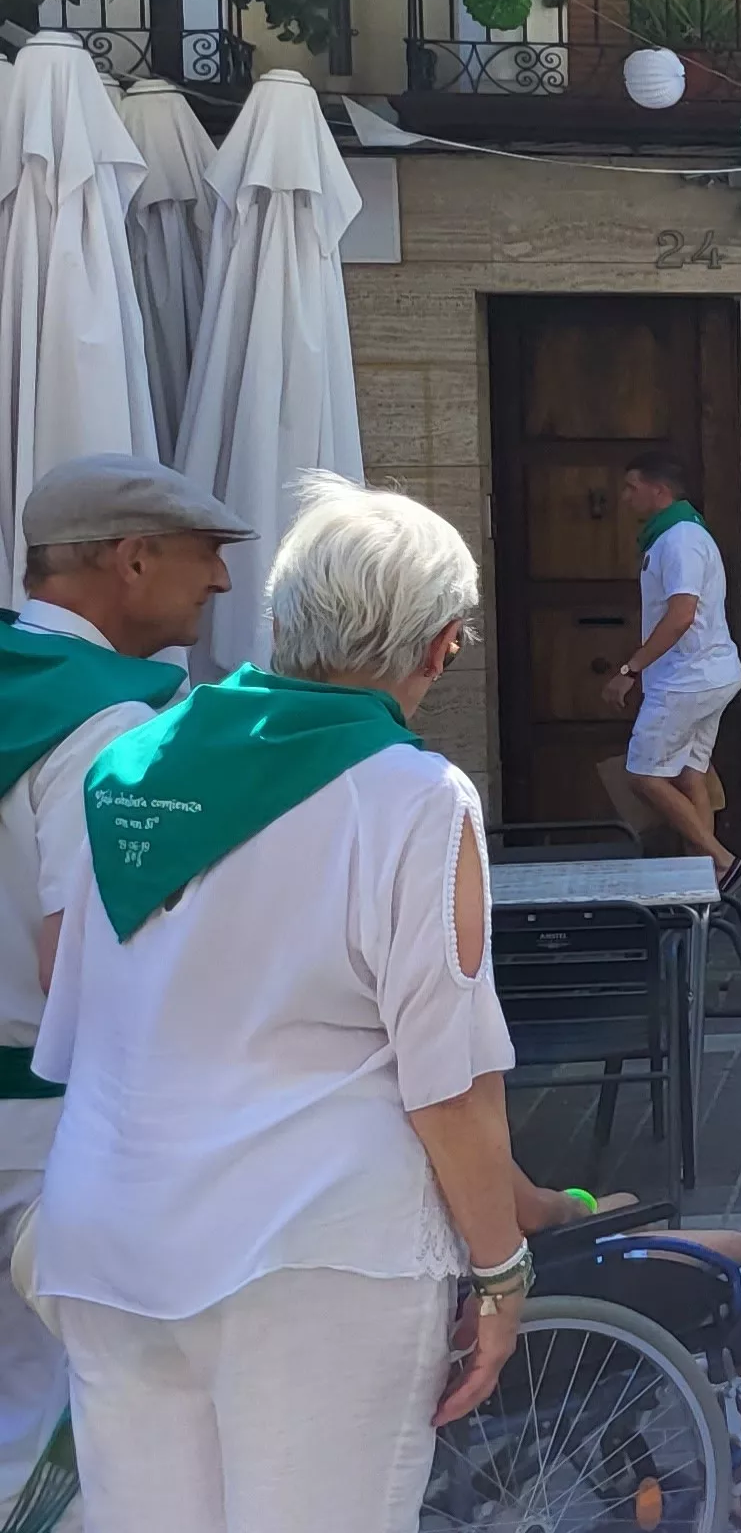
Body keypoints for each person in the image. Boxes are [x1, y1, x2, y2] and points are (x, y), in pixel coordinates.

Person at [33, 475, 519, 1531]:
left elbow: (71, 1003)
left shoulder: (125, 765)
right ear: (437, 646)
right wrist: (502, 1269)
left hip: (110, 1231)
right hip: (312, 1251)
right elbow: (450, 1085)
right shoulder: (414, 797)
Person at [0, 456, 245, 1485]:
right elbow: (81, 964)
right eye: (206, 557)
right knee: (87, 1416)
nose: (222, 584)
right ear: (132, 559)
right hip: (45, 1128)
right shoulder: (109, 724)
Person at [601, 450, 741, 874]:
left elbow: (681, 615)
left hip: (687, 681)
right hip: (707, 675)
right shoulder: (678, 534)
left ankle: (722, 861)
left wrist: (630, 671)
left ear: (658, 490)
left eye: (632, 487)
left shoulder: (680, 539)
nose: (625, 497)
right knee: (687, 773)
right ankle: (706, 880)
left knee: (643, 776)